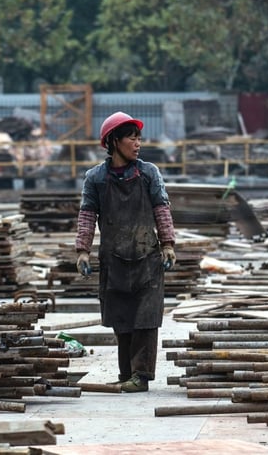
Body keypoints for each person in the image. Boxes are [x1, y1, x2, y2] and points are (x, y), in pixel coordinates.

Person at [75, 111, 177, 393]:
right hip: (113, 259)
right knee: (121, 317)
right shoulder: (95, 178)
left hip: (146, 258)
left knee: (145, 318)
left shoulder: (148, 173)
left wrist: (168, 244)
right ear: (114, 141)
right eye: (132, 138)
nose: (137, 143)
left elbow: (162, 209)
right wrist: (82, 251)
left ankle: (141, 376)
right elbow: (87, 214)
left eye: (139, 138)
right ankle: (126, 374)